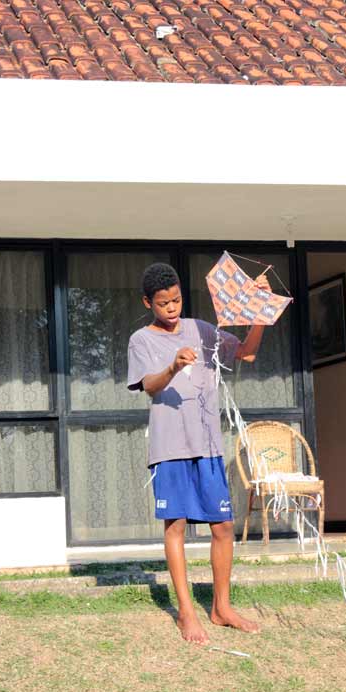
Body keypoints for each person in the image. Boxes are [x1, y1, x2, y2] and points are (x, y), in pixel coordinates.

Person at [127, 262, 269, 645]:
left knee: (222, 527)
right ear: (148, 302)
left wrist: (258, 313)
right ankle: (187, 613)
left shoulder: (202, 330)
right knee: (175, 527)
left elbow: (248, 354)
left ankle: (222, 608)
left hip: (207, 446)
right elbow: (150, 386)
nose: (171, 308)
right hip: (170, 447)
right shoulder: (141, 340)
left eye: (175, 300)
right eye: (163, 303)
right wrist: (173, 366)